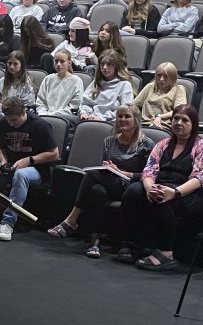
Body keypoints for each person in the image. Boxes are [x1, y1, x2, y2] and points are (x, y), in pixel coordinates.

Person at [47, 104, 156, 259]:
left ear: (136, 120)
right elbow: (104, 169)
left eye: (127, 116)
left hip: (131, 188)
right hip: (112, 182)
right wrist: (108, 167)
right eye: (120, 116)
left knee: (92, 176)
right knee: (97, 190)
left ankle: (71, 220)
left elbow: (148, 174)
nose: (122, 119)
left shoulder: (146, 144)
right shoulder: (109, 141)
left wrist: (122, 172)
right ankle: (95, 242)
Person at [121, 105, 203, 269]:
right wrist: (149, 189)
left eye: (184, 120)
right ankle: (131, 244)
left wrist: (174, 193)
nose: (179, 123)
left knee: (162, 199)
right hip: (162, 186)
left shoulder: (202, 146)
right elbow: (149, 171)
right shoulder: (162, 144)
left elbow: (200, 178)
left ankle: (166, 253)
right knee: (133, 191)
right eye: (176, 119)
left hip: (191, 193)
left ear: (193, 124)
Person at [0, 97, 60, 242]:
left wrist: (28, 160)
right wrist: (3, 160)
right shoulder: (4, 122)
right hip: (9, 164)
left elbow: (54, 154)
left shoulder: (40, 125)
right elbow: (0, 147)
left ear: (23, 113)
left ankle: (7, 223)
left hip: (36, 168)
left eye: (14, 120)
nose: (11, 123)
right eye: (8, 120)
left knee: (20, 175)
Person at [78, 51, 135, 122]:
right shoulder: (97, 82)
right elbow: (85, 102)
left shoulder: (124, 85)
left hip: (109, 121)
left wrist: (102, 118)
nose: (104, 67)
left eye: (109, 64)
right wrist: (84, 112)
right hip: (90, 118)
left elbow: (124, 110)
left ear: (116, 66)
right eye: (102, 64)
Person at [134, 62, 186, 127]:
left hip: (163, 125)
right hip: (144, 123)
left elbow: (179, 111)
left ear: (172, 77)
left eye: (166, 76)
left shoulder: (178, 89)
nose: (161, 79)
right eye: (159, 75)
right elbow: (134, 105)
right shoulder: (149, 87)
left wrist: (160, 117)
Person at [36, 49, 83, 117]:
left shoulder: (77, 81)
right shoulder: (48, 79)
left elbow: (74, 105)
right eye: (56, 61)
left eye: (62, 61)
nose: (58, 64)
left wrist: (53, 116)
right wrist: (43, 114)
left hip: (65, 117)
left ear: (69, 63)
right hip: (45, 116)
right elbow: (41, 102)